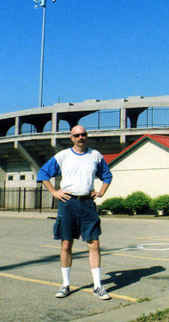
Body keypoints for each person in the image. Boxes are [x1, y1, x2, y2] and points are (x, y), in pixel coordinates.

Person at [37, 125, 113, 300]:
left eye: (83, 134)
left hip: (87, 204)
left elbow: (107, 176)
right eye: (77, 135)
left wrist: (101, 191)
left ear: (87, 136)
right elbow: (43, 174)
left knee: (94, 244)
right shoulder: (63, 156)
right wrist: (54, 192)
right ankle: (65, 284)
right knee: (66, 244)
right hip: (68, 203)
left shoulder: (95, 156)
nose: (81, 137)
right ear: (71, 137)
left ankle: (98, 286)